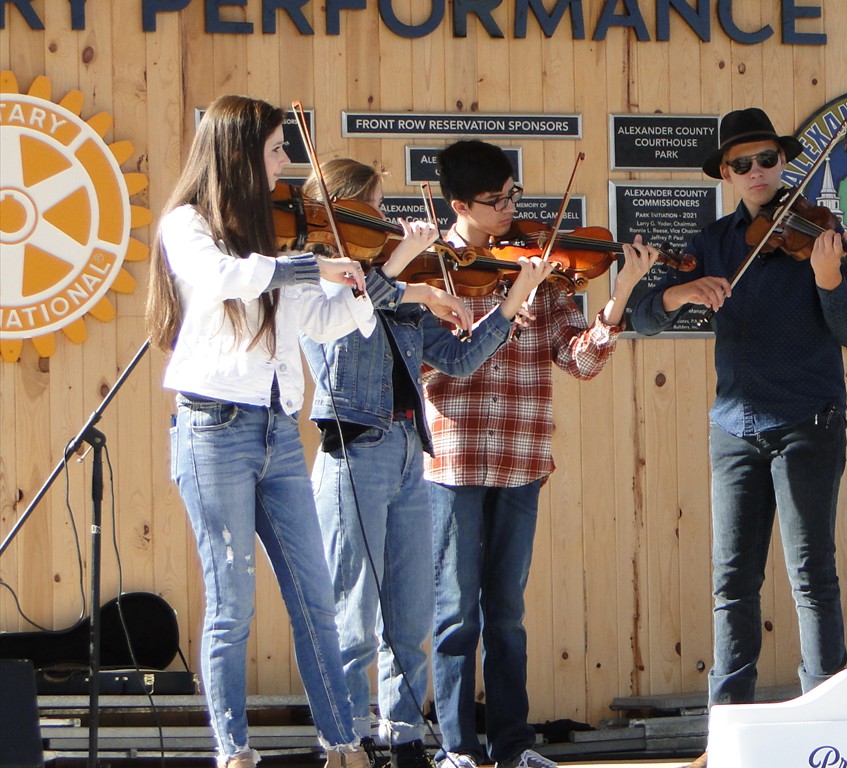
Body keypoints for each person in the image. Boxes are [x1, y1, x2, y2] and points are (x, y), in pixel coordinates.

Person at [631, 107, 847, 768]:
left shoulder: (821, 234)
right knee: (732, 582)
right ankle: (726, 736)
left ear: (783, 162)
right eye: (743, 164)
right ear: (727, 174)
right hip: (733, 427)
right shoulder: (712, 242)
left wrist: (827, 279)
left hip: (808, 422)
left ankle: (827, 730)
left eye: (767, 159)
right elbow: (647, 316)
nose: (758, 172)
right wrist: (681, 295)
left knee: (810, 576)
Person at [144, 95, 374, 768]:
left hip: (276, 429)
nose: (284, 164)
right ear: (241, 154)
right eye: (276, 150)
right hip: (213, 428)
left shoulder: (277, 238)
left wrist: (369, 281)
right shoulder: (186, 225)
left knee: (315, 598)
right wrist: (309, 265)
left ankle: (342, 744)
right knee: (231, 607)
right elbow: (220, 280)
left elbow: (321, 322)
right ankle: (235, 752)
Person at [298, 160, 552, 767]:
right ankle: (349, 741)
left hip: (411, 447)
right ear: (340, 211)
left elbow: (457, 361)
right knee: (353, 609)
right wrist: (407, 278)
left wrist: (512, 303)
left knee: (408, 611)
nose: (385, 221)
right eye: (374, 210)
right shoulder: (316, 278)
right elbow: (339, 324)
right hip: (354, 445)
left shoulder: (399, 278)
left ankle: (403, 735)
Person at [426, 140, 659, 768]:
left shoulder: (539, 268)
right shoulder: (431, 269)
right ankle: (455, 749)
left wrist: (622, 291)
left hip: (524, 461)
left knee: (506, 615)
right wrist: (508, 301)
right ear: (458, 205)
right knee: (454, 616)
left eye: (513, 197)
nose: (510, 211)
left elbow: (579, 360)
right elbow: (436, 359)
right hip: (457, 459)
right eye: (496, 201)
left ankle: (512, 747)